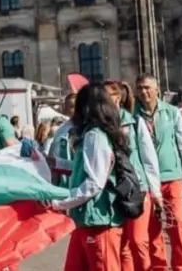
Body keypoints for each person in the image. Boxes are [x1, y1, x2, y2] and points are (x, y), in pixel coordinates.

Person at [50, 85, 126, 270]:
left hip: (99, 220)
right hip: (86, 219)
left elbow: (94, 182)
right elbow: (82, 167)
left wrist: (60, 202)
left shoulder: (95, 135)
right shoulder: (91, 134)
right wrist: (55, 162)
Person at [135, 74, 182, 271]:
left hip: (172, 176)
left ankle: (180, 266)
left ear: (157, 89)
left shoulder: (171, 112)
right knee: (152, 228)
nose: (144, 92)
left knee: (176, 223)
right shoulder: (133, 115)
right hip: (146, 180)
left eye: (147, 87)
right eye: (140, 88)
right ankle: (159, 266)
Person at [103, 80, 161, 271]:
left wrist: (156, 192)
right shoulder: (100, 126)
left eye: (105, 96)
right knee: (123, 245)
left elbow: (149, 158)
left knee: (138, 241)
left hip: (138, 189)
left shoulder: (135, 122)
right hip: (114, 190)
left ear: (117, 99)